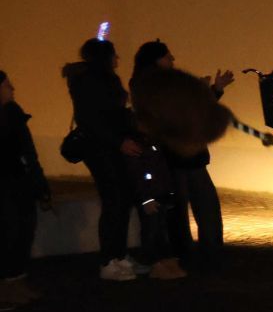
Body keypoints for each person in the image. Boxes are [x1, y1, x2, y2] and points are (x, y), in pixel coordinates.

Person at [132, 41, 229, 271]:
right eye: (168, 57)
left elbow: (189, 114)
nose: (172, 61)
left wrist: (211, 91)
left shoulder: (158, 85)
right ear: (156, 60)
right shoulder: (151, 86)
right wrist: (203, 93)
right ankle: (192, 255)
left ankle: (204, 253)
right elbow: (179, 116)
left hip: (189, 156)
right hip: (172, 158)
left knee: (201, 207)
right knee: (184, 210)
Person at [63, 37, 140, 280]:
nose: (118, 59)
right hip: (101, 149)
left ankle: (118, 255)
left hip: (112, 146)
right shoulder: (91, 81)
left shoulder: (97, 80)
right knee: (114, 201)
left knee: (121, 200)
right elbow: (92, 119)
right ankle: (109, 260)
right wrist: (119, 141)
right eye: (114, 54)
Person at [0, 72, 52, 306]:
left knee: (24, 229)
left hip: (18, 181)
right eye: (6, 85)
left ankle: (17, 280)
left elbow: (28, 153)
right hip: (7, 183)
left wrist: (40, 186)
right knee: (9, 232)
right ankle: (7, 285)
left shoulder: (13, 113)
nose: (12, 88)